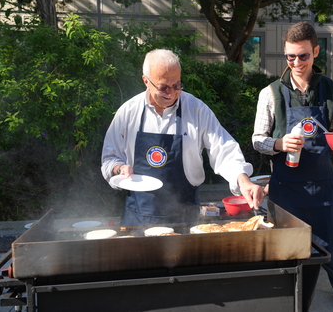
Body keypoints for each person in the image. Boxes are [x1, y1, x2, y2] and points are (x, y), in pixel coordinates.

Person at [252, 21, 333, 308]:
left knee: (324, 244)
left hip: (322, 185)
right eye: (290, 57)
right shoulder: (270, 93)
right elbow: (257, 139)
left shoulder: (331, 90)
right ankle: (288, 297)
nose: (296, 62)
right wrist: (279, 144)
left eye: (303, 56)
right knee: (286, 246)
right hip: (285, 187)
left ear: (316, 52)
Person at [101, 49, 264, 225]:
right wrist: (119, 168)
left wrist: (243, 180)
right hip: (138, 215)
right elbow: (110, 158)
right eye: (163, 87)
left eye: (177, 85)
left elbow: (223, 148)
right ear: (146, 81)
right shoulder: (128, 112)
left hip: (184, 217)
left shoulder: (196, 110)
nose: (171, 93)